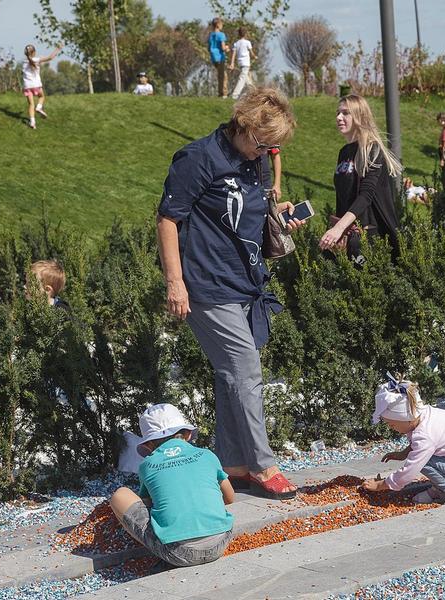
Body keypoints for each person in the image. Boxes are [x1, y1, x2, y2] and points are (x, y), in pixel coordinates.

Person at [156, 87, 305, 500]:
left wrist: (282, 214)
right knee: (246, 367)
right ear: (242, 125)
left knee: (230, 374)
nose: (265, 153)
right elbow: (168, 219)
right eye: (262, 143)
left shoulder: (253, 162)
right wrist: (175, 282)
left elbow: (250, 211)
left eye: (272, 147)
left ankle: (233, 460)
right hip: (206, 283)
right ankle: (263, 463)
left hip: (246, 281)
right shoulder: (199, 158)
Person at [109, 403, 235, 567]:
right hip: (221, 541)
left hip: (176, 552)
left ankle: (155, 548)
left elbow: (148, 504)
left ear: (148, 445)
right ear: (188, 434)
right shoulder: (207, 455)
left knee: (120, 495)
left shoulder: (148, 465)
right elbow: (230, 497)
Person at [362, 378, 445, 505]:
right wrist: (403, 453)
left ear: (406, 418)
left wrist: (381, 485)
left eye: (392, 424)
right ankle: (441, 488)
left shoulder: (425, 435)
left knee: (423, 461)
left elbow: (410, 470)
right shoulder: (426, 415)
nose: (392, 428)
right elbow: (419, 444)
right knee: (423, 455)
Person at [318, 94, 402, 262]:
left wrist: (338, 228)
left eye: (345, 113)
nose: (339, 117)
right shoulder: (344, 152)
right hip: (347, 234)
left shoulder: (372, 149)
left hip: (369, 235)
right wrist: (337, 230)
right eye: (338, 113)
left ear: (359, 116)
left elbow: (366, 196)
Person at [22, 44, 61, 130]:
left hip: (27, 86)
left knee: (31, 104)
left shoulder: (24, 62)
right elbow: (50, 58)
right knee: (42, 97)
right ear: (34, 52)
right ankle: (39, 107)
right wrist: (57, 49)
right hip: (36, 85)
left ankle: (32, 122)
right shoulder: (36, 60)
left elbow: (30, 61)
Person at [229, 27, 256, 100]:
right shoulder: (247, 43)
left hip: (240, 63)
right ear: (246, 34)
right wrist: (255, 57)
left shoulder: (236, 43)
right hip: (246, 63)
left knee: (246, 79)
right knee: (242, 78)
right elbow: (252, 53)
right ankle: (235, 95)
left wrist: (232, 63)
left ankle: (255, 92)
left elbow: (234, 54)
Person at [208, 18, 230, 99]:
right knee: (224, 76)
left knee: (219, 76)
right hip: (220, 57)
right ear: (218, 25)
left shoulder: (211, 35)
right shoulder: (221, 35)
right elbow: (223, 47)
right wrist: (227, 48)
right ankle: (224, 93)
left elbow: (209, 47)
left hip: (214, 57)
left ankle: (220, 92)